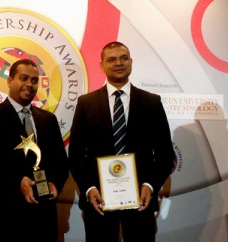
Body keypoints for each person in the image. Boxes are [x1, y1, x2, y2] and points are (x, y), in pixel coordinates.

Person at [69, 41, 174, 242]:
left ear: (131, 62)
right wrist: (89, 188)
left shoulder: (152, 102)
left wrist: (150, 186)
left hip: (140, 199)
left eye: (123, 58)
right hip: (98, 200)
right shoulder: (86, 103)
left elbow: (164, 154)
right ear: (101, 65)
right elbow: (75, 155)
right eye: (112, 59)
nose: (119, 63)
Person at [0, 59, 69, 242]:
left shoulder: (48, 120)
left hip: (42, 219)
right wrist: (15, 182)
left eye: (34, 80)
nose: (29, 84)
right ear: (9, 81)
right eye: (24, 78)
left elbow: (60, 163)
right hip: (4, 219)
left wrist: (55, 184)